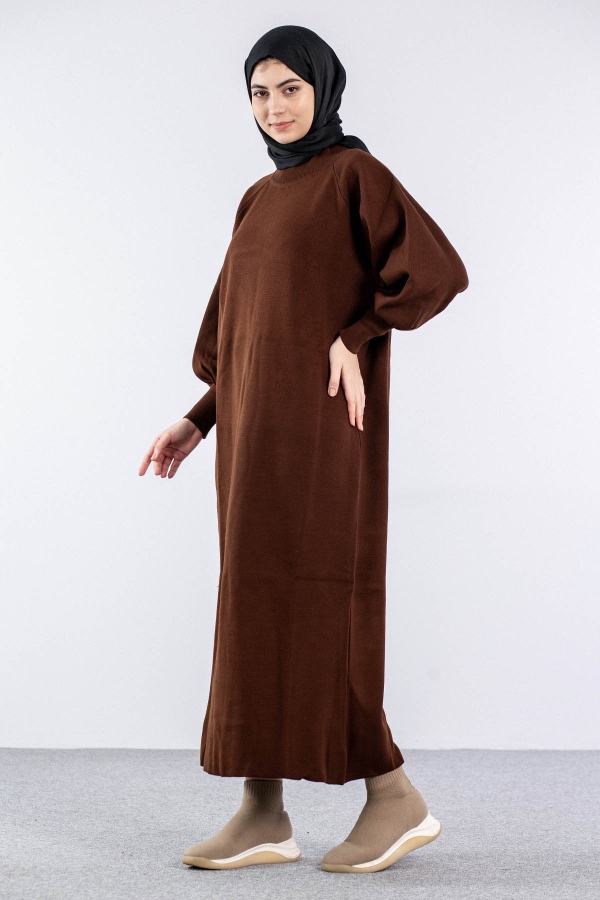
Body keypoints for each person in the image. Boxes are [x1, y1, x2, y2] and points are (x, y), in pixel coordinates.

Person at [139, 24, 469, 874]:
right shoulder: (258, 199)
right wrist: (199, 419)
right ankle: (262, 811)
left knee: (327, 602)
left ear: (323, 89)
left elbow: (436, 272)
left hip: (326, 436)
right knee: (253, 605)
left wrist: (356, 337)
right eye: (260, 92)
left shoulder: (356, 176)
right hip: (252, 445)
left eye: (290, 88)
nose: (275, 106)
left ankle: (393, 794)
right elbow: (249, 337)